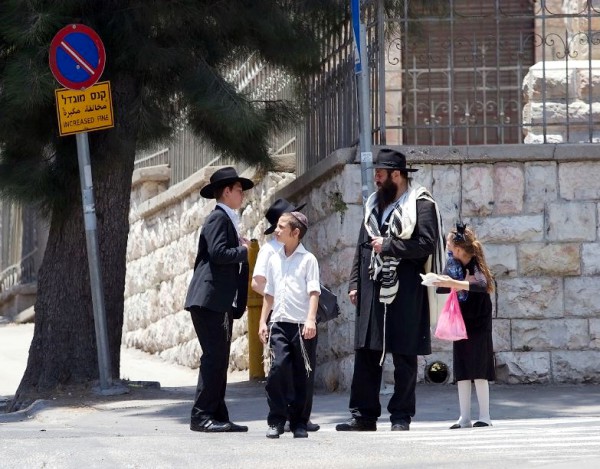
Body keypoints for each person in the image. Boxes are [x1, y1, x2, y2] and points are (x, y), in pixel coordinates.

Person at [336, 147, 444, 432]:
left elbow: (426, 245)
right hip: (372, 287)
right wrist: (354, 283)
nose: (376, 180)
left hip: (406, 288)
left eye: (380, 174)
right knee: (367, 351)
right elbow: (362, 246)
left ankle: (401, 416)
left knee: (404, 355)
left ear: (397, 175)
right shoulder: (374, 204)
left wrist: (389, 246)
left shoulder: (421, 204)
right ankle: (363, 415)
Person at [184, 166, 253, 433]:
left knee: (220, 358)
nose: (242, 195)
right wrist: (243, 250)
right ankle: (201, 416)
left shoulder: (228, 220)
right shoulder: (217, 219)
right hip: (209, 300)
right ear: (226, 192)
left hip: (219, 301)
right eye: (239, 190)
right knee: (214, 358)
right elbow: (218, 253)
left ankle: (217, 414)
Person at [251, 198, 321, 433]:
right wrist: (263, 321)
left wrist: (311, 319)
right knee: (278, 369)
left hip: (302, 325)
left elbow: (314, 292)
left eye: (281, 227)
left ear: (295, 233)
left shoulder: (308, 260)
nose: (276, 231)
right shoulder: (273, 258)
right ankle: (276, 420)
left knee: (303, 374)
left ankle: (299, 422)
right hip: (279, 324)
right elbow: (268, 293)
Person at [433, 223, 495, 429]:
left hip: (478, 322)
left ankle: (485, 416)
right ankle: (464, 417)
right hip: (461, 321)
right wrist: (440, 281)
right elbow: (444, 288)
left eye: (450, 246)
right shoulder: (454, 264)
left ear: (459, 249)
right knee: (462, 368)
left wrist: (456, 283)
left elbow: (482, 285)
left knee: (479, 368)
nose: (448, 249)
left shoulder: (476, 264)